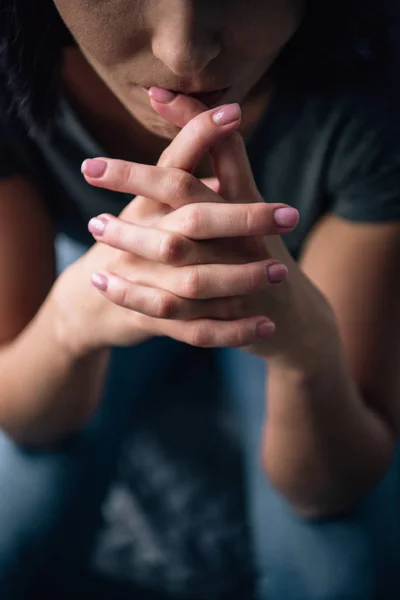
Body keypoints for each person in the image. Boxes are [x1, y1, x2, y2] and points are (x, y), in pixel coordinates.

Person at [0, 0, 399, 598]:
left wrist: (309, 350)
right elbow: (21, 414)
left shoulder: (378, 89)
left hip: (304, 284)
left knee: (341, 572)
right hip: (85, 266)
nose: (183, 54)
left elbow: (330, 486)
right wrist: (69, 322)